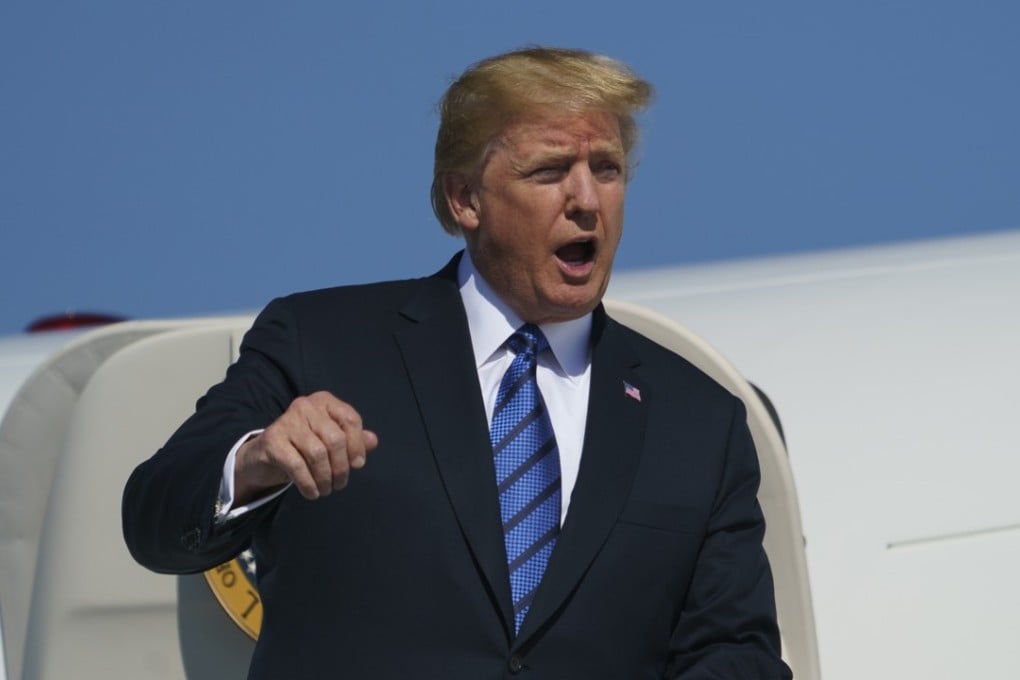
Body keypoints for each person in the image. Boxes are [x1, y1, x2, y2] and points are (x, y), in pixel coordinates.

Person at [123, 47, 792, 679]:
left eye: (608, 169)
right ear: (464, 199)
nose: (587, 200)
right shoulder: (320, 341)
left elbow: (737, 653)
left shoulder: (700, 424)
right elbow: (154, 519)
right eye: (551, 171)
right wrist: (257, 461)